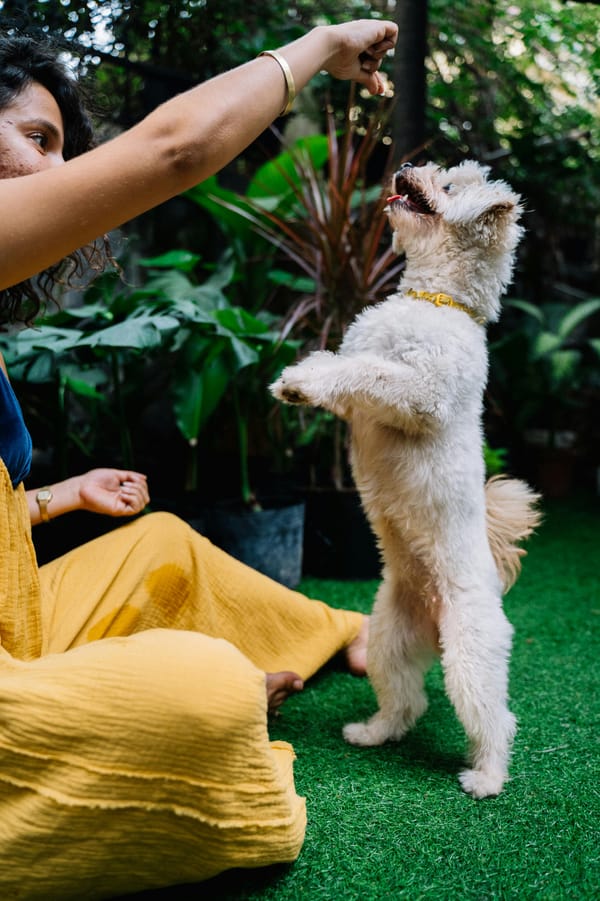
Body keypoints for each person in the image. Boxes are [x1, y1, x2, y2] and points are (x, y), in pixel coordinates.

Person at [0, 19, 398, 901]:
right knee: (205, 689)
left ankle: (345, 633)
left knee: (164, 543)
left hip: (11, 627)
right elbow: (175, 149)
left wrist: (62, 494)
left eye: (62, 147)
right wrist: (323, 43)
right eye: (36, 138)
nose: (58, 173)